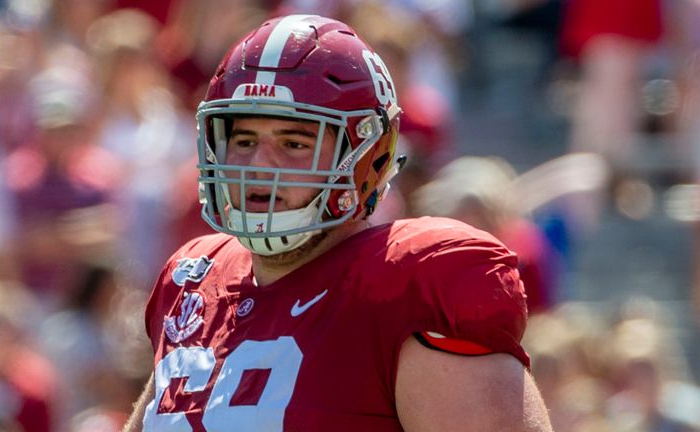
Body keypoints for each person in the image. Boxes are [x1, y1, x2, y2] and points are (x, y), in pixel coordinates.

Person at [124, 14, 552, 431]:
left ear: (367, 156)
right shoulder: (195, 278)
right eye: (244, 139)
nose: (258, 165)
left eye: (294, 143)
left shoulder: (406, 286)